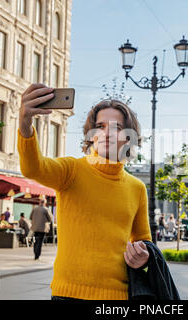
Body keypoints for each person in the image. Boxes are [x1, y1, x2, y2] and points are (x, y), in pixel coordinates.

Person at [18, 87, 152, 300]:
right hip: (68, 294)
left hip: (119, 297)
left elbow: (143, 241)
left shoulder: (137, 188)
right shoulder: (71, 170)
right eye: (100, 126)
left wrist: (143, 257)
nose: (107, 133)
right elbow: (33, 168)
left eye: (116, 127)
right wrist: (25, 124)